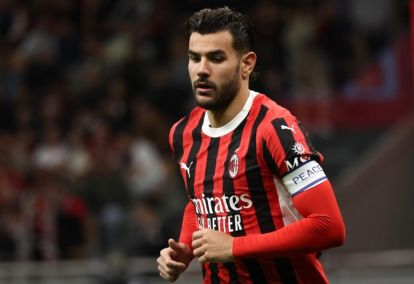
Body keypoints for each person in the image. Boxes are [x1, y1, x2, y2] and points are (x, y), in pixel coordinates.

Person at [157, 6, 345, 284]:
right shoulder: (183, 132)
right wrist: (185, 249)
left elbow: (328, 227)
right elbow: (202, 202)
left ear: (247, 64)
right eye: (194, 58)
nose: (202, 70)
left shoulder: (275, 127)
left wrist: (234, 248)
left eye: (216, 58)